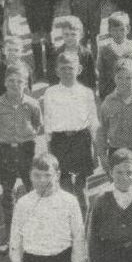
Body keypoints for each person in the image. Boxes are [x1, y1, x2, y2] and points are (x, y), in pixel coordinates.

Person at [0, 61, 42, 254]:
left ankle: (33, 235)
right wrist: (5, 138)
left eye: (19, 81)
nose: (14, 85)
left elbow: (37, 124)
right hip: (6, 150)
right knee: (7, 193)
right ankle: (8, 236)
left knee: (31, 190)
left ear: (25, 83)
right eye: (10, 81)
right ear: (4, 82)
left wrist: (26, 135)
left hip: (27, 149)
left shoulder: (32, 104)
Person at [42, 52, 98, 216]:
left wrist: (95, 149)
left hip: (81, 140)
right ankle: (69, 222)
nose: (67, 72)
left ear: (79, 69)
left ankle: (85, 222)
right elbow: (48, 121)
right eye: (63, 69)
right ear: (57, 71)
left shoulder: (86, 92)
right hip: (60, 142)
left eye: (71, 68)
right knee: (65, 186)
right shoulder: (50, 93)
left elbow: (93, 120)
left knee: (81, 187)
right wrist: (49, 148)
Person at [97, 12, 132, 101]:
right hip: (111, 92)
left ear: (128, 29)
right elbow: (102, 74)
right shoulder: (105, 49)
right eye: (114, 30)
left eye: (122, 30)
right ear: (109, 30)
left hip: (130, 91)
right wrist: (102, 94)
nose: (118, 33)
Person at [53, 15, 97, 89]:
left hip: (82, 91)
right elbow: (53, 78)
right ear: (62, 35)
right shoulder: (57, 53)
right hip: (63, 91)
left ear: (81, 35)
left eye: (73, 34)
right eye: (66, 34)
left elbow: (91, 78)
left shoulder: (86, 54)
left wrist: (92, 94)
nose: (69, 38)